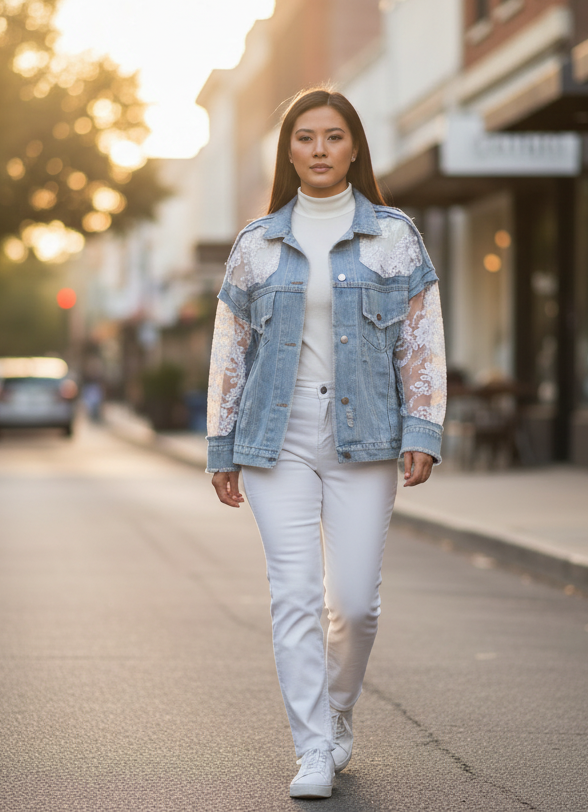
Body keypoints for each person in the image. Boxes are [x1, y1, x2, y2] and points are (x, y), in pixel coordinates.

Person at [206, 88, 446, 799]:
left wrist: (423, 427)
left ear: (354, 148)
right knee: (297, 595)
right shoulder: (255, 245)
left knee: (355, 602)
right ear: (289, 150)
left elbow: (422, 338)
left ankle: (338, 712)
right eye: (305, 137)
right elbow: (229, 351)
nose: (318, 149)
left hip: (365, 434)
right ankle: (312, 747)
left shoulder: (394, 235)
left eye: (333, 137)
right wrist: (222, 446)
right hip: (276, 438)